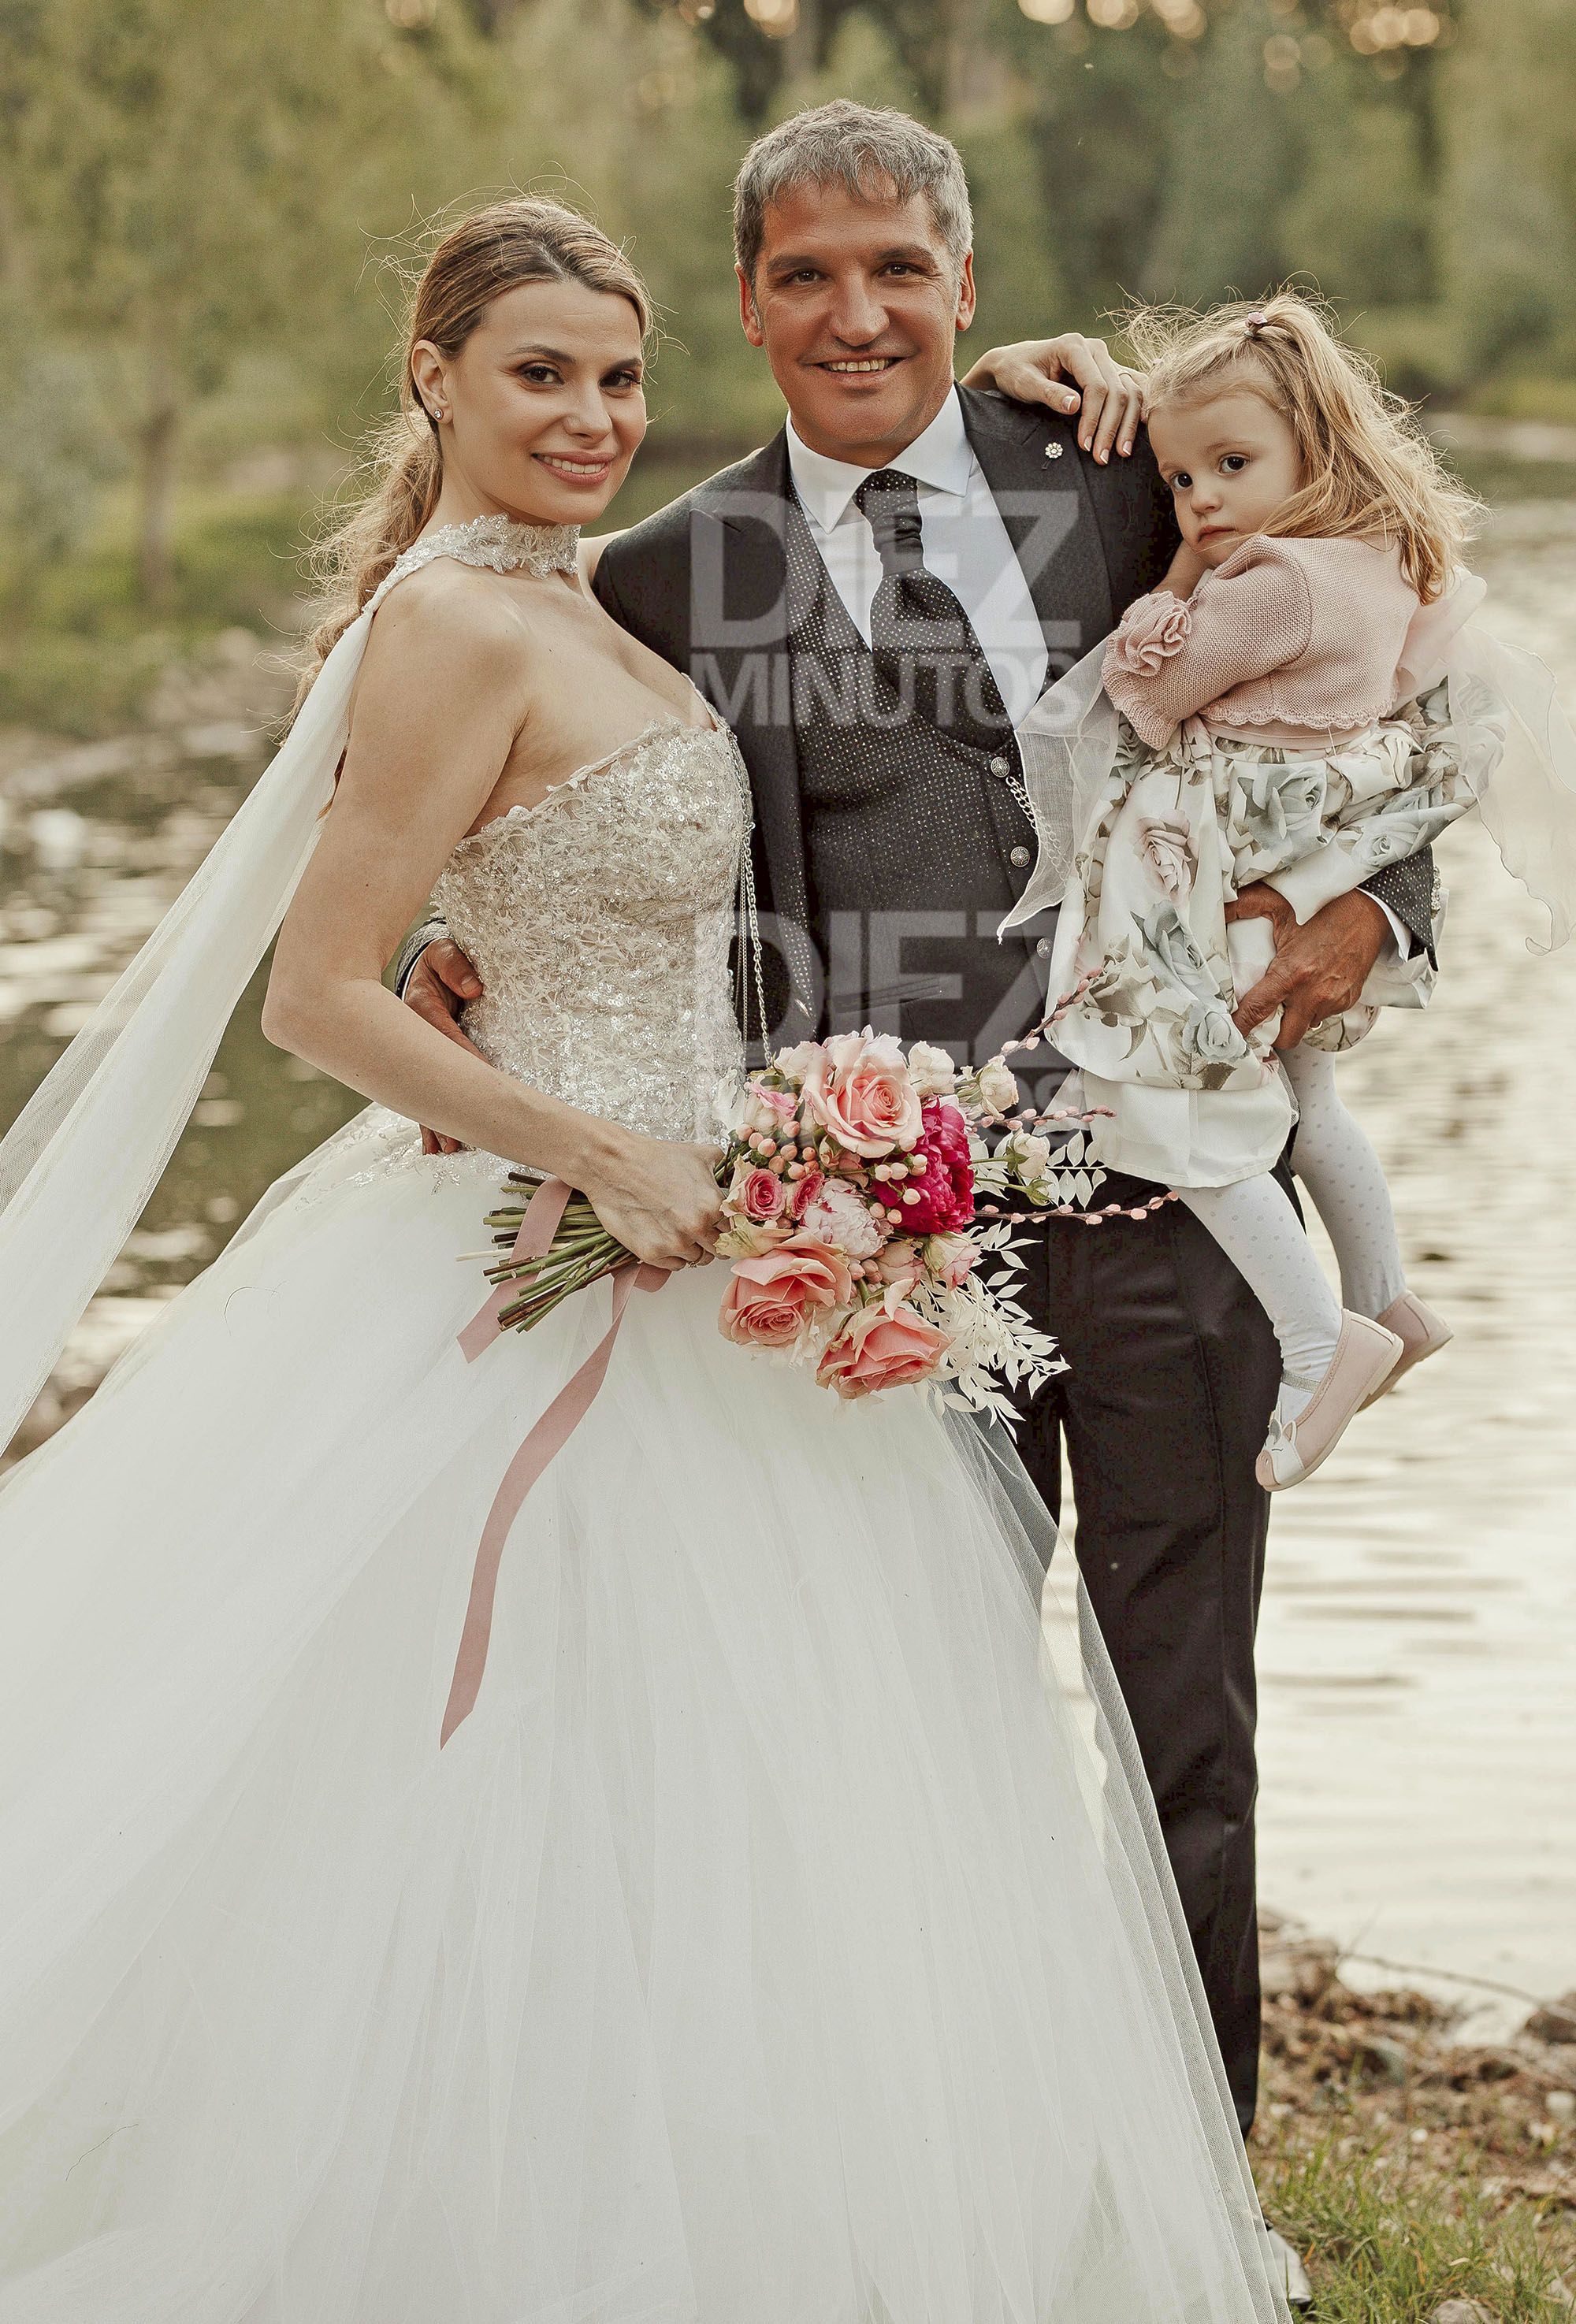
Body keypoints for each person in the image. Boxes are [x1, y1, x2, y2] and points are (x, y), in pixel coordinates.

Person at [0, 199, 1294, 2320]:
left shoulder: (580, 595)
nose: (595, 416)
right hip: (544, 1259)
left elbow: (499, 892)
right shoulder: (446, 619)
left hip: (718, 1254)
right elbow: (320, 995)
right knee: (528, 1765)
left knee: (740, 1791)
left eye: (618, 375)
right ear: (431, 378)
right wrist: (581, 1138)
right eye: (539, 375)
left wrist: (1004, 380)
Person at [397, 100, 1445, 2155]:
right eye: (807, 272)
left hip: (1171, 1213)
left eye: (900, 268)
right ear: (748, 303)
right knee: (901, 1741)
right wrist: (458, 924)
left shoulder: (1136, 473)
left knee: (1187, 1734)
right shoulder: (672, 568)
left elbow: (1385, 682)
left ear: (970, 288)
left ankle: (1189, 2190)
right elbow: (544, 773)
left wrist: (1374, 912)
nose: (856, 311)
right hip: (877, 1253)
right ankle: (935, 2179)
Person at [1031, 292, 1514, 1491]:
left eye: (1231, 467)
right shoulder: (1385, 564)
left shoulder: (1269, 583)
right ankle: (1390, 1296)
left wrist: (1182, 573)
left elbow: (1149, 694)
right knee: (1311, 1106)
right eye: (1184, 481)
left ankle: (1320, 1341)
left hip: (1228, 869)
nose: (1202, 504)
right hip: (1305, 854)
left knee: (1181, 1121)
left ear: (1314, 447)